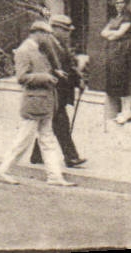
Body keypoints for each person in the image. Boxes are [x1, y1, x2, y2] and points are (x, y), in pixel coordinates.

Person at [0, 19, 75, 186]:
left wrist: (55, 72)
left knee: (47, 140)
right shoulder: (24, 51)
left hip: (45, 102)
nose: (48, 37)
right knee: (23, 140)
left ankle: (54, 176)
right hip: (33, 103)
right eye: (46, 34)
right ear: (37, 33)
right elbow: (22, 77)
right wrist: (46, 77)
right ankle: (4, 170)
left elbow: (41, 68)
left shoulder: (40, 50)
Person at [31, 14, 85, 169]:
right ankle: (71, 157)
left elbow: (70, 66)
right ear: (55, 29)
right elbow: (49, 68)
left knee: (50, 123)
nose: (68, 33)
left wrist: (79, 81)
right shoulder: (47, 44)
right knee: (61, 123)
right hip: (52, 90)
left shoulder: (62, 43)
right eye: (65, 30)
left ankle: (37, 155)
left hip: (61, 90)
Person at [99, 0, 131, 124]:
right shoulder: (114, 18)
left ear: (126, 3)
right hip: (114, 52)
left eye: (121, 2)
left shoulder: (128, 16)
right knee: (116, 79)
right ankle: (125, 111)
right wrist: (112, 34)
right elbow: (103, 32)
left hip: (125, 51)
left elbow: (119, 33)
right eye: (117, 2)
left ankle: (127, 111)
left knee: (125, 79)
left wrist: (112, 34)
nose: (119, 5)